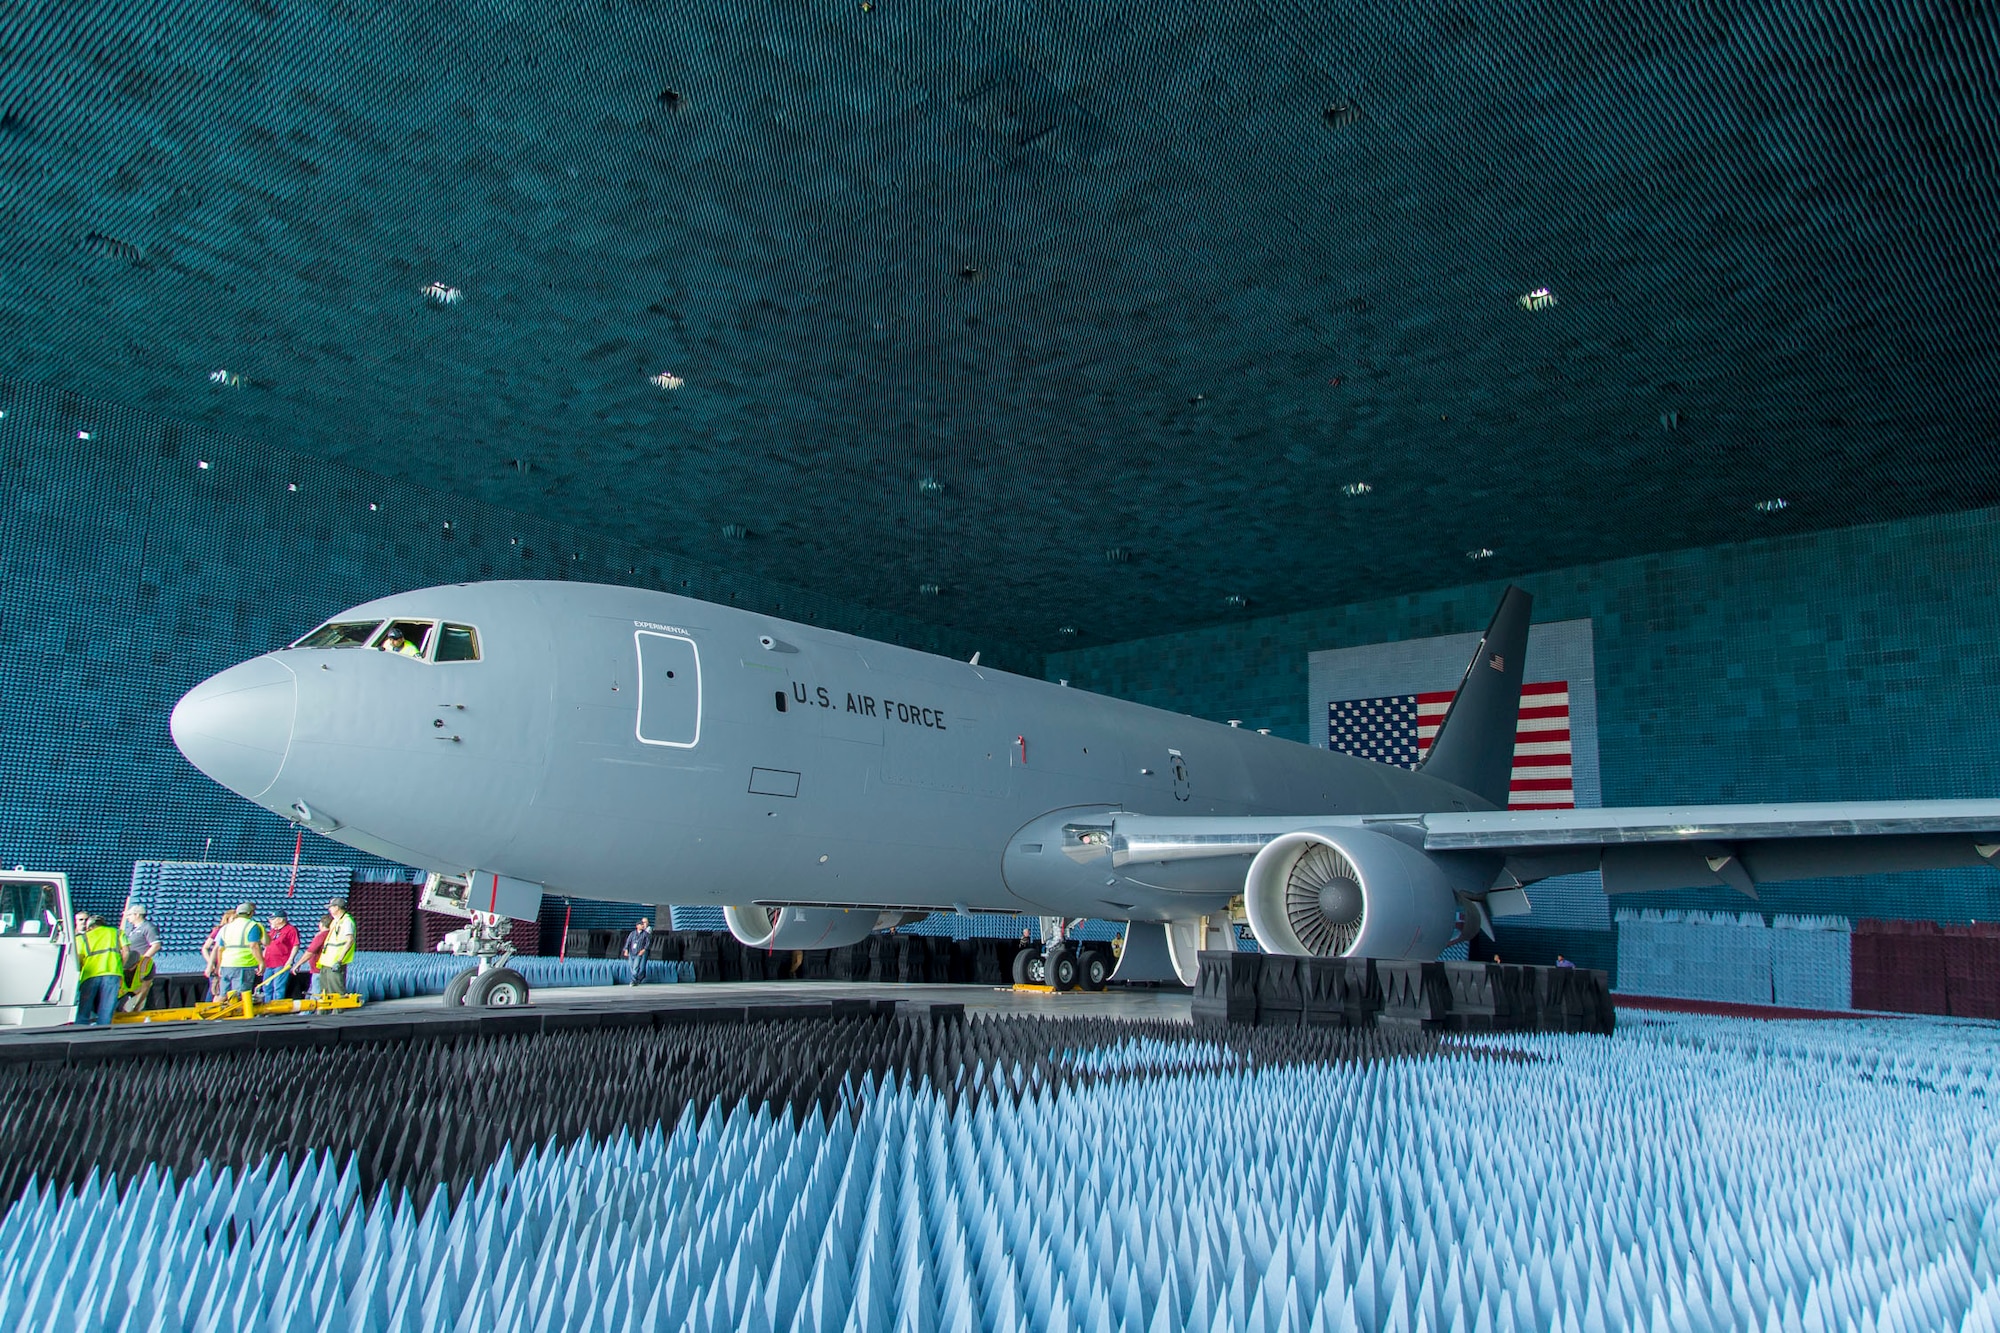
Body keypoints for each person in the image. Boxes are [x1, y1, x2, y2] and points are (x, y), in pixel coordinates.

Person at [74, 914, 125, 1026]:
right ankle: (102, 1033)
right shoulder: (117, 932)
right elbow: (126, 952)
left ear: (90, 927)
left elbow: (79, 958)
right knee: (107, 1009)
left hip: (90, 975)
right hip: (113, 973)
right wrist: (121, 967)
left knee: (84, 1008)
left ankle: (79, 1029)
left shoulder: (82, 937)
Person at [215, 902, 267, 996]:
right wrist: (261, 962)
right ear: (251, 913)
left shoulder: (226, 927)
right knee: (241, 997)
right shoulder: (252, 926)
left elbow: (220, 949)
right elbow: (254, 946)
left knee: (223, 996)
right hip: (244, 965)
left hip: (226, 965)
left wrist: (219, 966)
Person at [119, 903, 162, 1013]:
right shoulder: (130, 929)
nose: (128, 917)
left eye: (130, 915)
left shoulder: (148, 927)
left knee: (144, 990)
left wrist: (144, 960)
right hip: (129, 966)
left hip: (140, 966)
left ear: (137, 915)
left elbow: (156, 945)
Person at [254, 913, 300, 1002]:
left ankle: (276, 1007)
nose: (270, 921)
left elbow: (295, 945)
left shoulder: (290, 930)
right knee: (267, 986)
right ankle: (267, 1007)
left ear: (280, 920)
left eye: (273, 919)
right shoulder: (273, 931)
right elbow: (267, 946)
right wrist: (261, 961)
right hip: (269, 963)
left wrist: (290, 960)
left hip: (281, 962)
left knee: (278, 987)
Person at [317, 899, 356, 996]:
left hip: (335, 961)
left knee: (336, 991)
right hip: (327, 961)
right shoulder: (335, 921)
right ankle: (325, 1010)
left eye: (331, 907)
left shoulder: (347, 921)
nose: (329, 909)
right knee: (325, 991)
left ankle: (338, 1011)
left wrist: (339, 960)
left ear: (337, 908)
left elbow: (350, 940)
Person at [624, 917, 653, 987]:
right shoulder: (632, 933)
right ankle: (635, 979)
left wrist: (643, 950)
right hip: (631, 953)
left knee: (635, 968)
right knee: (631, 966)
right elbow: (628, 942)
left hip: (638, 953)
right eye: (641, 924)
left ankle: (633, 981)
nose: (643, 925)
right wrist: (626, 950)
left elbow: (648, 943)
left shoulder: (646, 934)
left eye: (643, 924)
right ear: (637, 926)